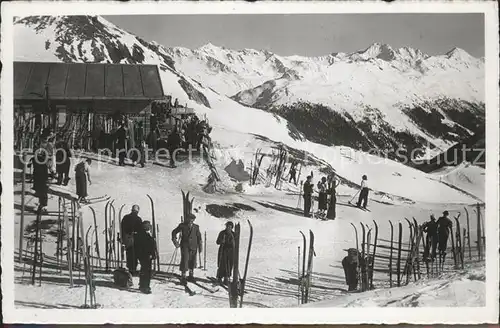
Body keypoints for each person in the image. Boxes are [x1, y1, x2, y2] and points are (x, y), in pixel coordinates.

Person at [171, 213, 203, 283]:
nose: (191, 220)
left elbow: (199, 237)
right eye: (190, 219)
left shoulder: (196, 227)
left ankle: (191, 275)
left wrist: (200, 246)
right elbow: (174, 232)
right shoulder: (182, 225)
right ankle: (183, 276)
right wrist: (175, 241)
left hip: (194, 246)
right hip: (185, 246)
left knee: (192, 261)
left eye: (193, 219)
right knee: (185, 260)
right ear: (187, 219)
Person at [135, 220, 156, 294]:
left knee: (145, 271)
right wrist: (149, 254)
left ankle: (143, 285)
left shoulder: (145, 234)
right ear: (145, 227)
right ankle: (145, 287)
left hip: (145, 255)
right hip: (145, 256)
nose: (150, 227)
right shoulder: (142, 235)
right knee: (146, 271)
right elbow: (146, 246)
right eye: (148, 225)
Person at [121, 205, 143, 275]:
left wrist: (123, 238)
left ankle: (131, 269)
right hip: (135, 239)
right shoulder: (138, 219)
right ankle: (133, 269)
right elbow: (140, 230)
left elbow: (122, 228)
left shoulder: (125, 217)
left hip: (127, 239)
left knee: (130, 254)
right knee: (135, 254)